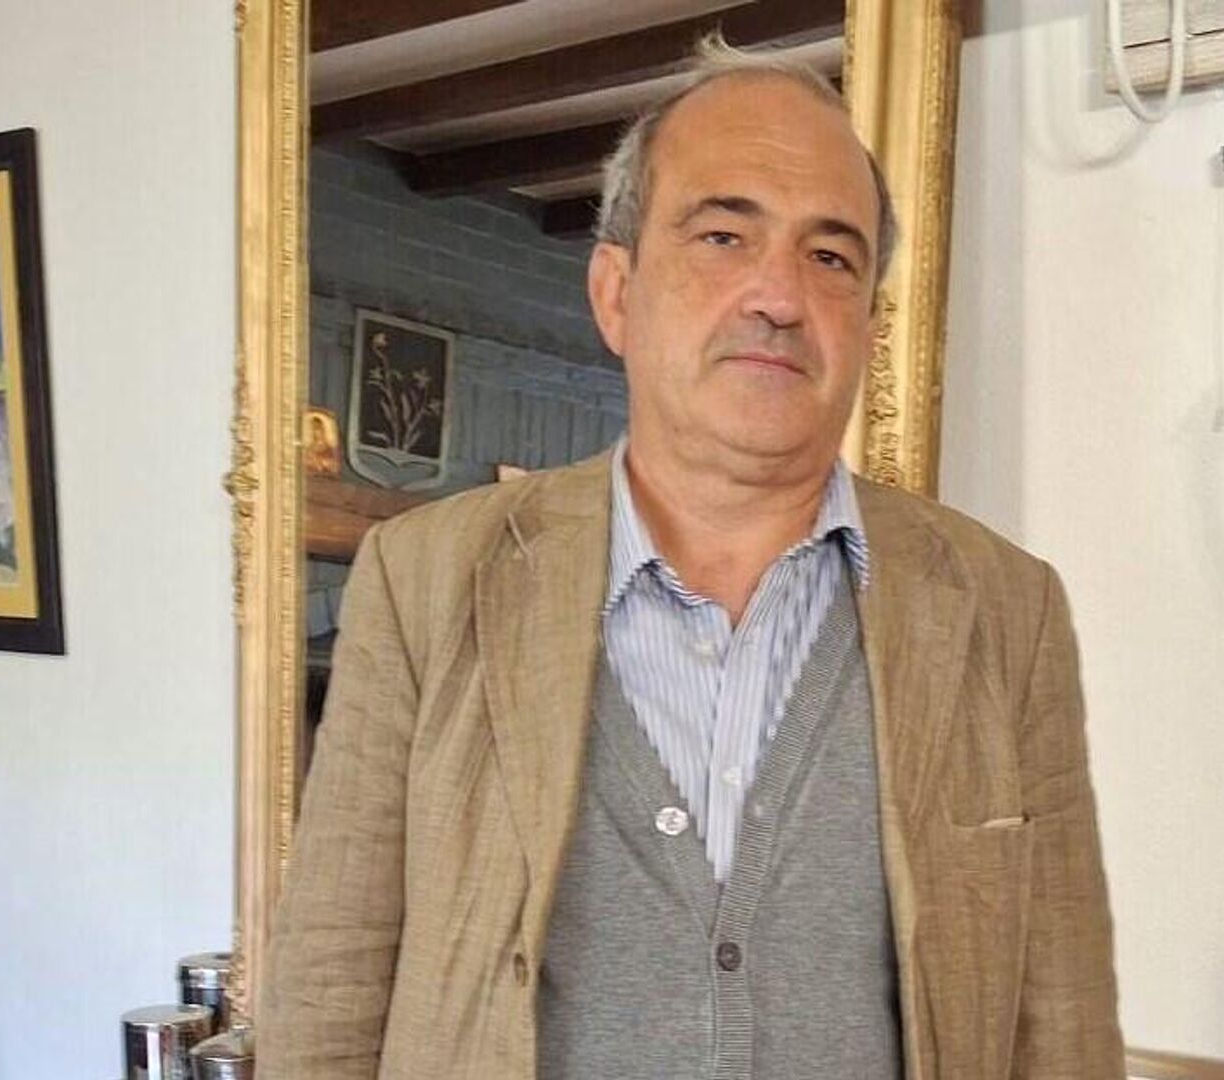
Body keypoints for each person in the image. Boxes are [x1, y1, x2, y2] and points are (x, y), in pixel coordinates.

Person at [260, 35, 1123, 1080]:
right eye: (723, 236)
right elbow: (332, 986)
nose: (778, 296)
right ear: (616, 292)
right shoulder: (427, 580)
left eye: (830, 257)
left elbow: (1060, 1020)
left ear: (869, 323)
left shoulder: (1004, 610)